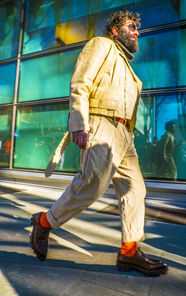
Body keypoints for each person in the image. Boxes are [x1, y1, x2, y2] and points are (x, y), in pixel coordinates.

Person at [30, 10, 168, 276]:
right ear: (115, 30)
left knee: (134, 190)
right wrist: (79, 124)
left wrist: (128, 132)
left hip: (125, 134)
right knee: (91, 185)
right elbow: (80, 83)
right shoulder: (102, 45)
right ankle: (44, 222)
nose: (137, 31)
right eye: (132, 26)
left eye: (138, 27)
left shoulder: (127, 65)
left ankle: (129, 251)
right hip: (100, 124)